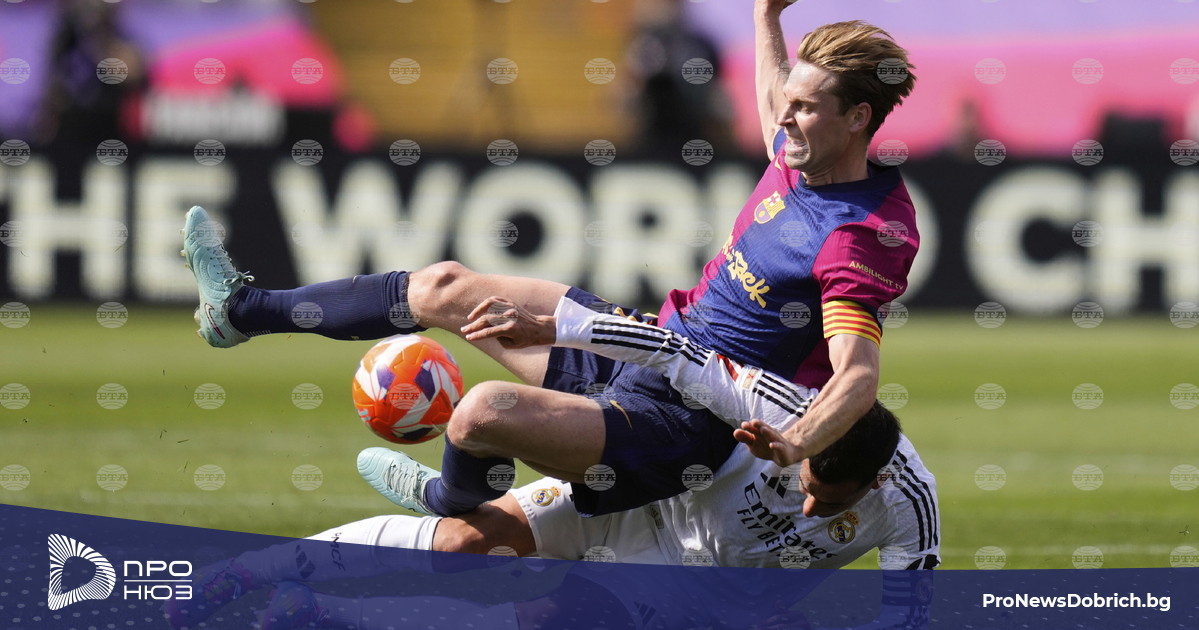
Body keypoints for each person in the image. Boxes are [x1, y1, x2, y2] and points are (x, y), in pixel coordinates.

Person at [181, 7, 918, 520]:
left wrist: (795, 442)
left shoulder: (859, 234)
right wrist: (766, 15)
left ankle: (446, 497)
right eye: (789, 102)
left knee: (481, 411)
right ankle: (240, 312)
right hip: (653, 344)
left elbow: (857, 376)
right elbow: (773, 94)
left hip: (686, 427)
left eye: (804, 108)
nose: (783, 116)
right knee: (445, 287)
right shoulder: (805, 150)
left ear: (858, 119)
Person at [165, 294, 939, 630]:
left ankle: (324, 617)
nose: (810, 506)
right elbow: (674, 350)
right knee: (465, 543)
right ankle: (244, 572)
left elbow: (906, 617)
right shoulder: (780, 405)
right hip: (645, 501)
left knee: (542, 620)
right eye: (806, 483)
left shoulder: (910, 504)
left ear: (876, 484)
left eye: (830, 501)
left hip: (695, 594)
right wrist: (557, 324)